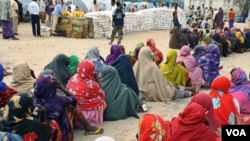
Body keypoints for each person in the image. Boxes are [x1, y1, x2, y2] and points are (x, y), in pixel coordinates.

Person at [33, 70, 77, 141]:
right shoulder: (58, 100)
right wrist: (61, 87)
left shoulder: (33, 101)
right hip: (59, 135)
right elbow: (74, 99)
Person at [67, 59, 106, 126]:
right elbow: (102, 94)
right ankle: (93, 121)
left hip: (74, 115)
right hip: (87, 117)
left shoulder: (73, 78)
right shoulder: (92, 84)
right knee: (102, 102)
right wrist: (97, 79)